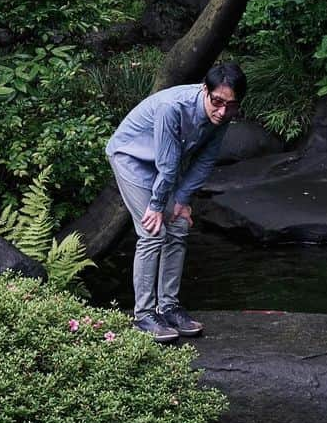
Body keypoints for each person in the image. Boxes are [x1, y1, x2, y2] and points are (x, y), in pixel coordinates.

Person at [106, 62, 247, 342]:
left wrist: (182, 200)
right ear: (205, 90)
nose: (222, 112)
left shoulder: (224, 113)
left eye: (230, 106)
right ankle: (144, 315)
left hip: (161, 168)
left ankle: (168, 306)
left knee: (180, 224)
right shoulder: (173, 106)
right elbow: (168, 165)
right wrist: (157, 206)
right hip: (131, 159)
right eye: (217, 102)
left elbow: (205, 160)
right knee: (152, 230)